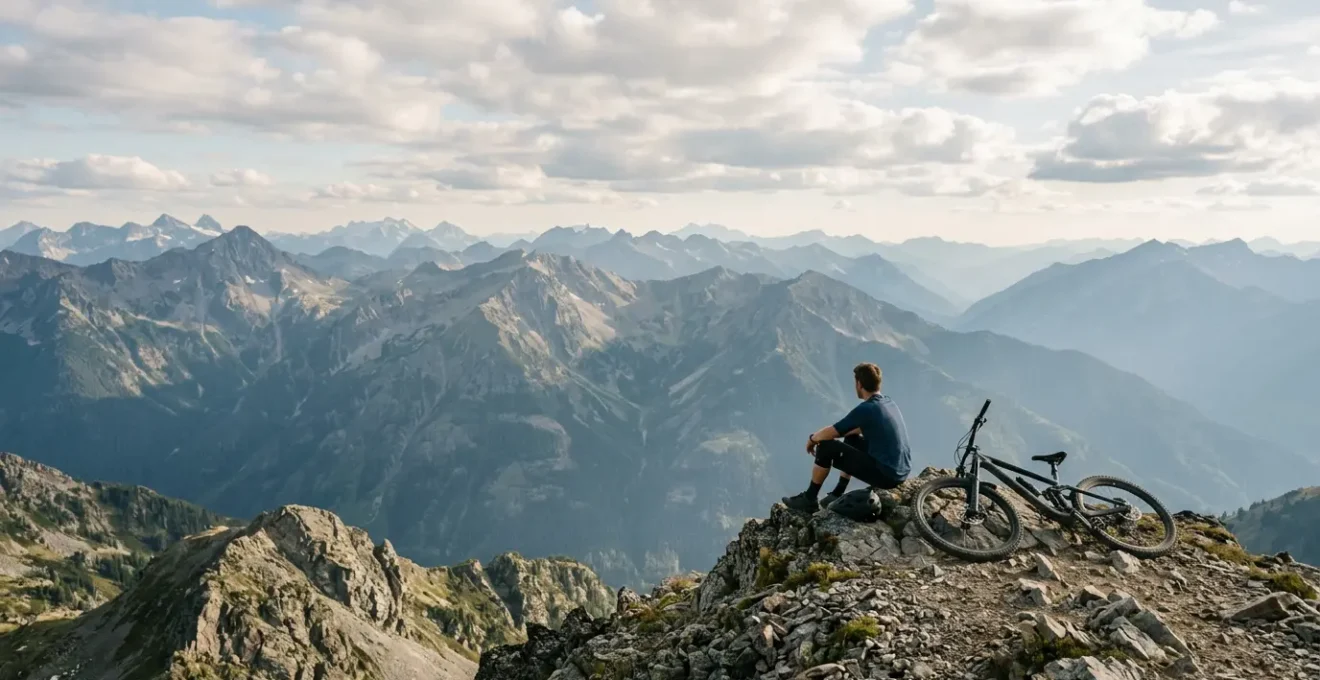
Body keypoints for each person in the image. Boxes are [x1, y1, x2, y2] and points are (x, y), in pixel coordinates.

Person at [782, 362, 912, 513]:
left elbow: (832, 431)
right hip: (900, 469)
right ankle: (837, 492)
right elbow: (856, 429)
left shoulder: (866, 409)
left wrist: (812, 439)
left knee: (825, 446)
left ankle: (809, 499)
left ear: (859, 384)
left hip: (886, 475)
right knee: (852, 438)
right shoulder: (888, 402)